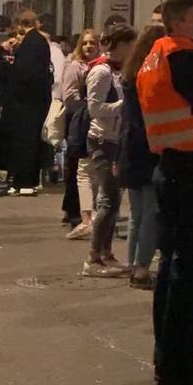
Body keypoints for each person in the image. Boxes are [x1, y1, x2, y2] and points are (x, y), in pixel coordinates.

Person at [137, 0, 193, 385]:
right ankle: (177, 367)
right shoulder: (184, 57)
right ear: (182, 18)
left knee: (172, 268)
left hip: (171, 166)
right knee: (188, 272)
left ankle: (166, 360)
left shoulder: (156, 54)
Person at [82, 23, 137, 277]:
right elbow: (94, 109)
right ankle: (94, 256)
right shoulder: (102, 72)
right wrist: (122, 106)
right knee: (109, 199)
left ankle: (105, 253)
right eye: (131, 44)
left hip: (117, 139)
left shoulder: (118, 70)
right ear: (122, 45)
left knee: (112, 200)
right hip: (103, 140)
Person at [119, 23, 165, 289]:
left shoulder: (130, 73)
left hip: (130, 145)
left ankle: (132, 264)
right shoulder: (151, 74)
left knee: (137, 213)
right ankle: (142, 268)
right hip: (148, 146)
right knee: (151, 212)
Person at [4, 10, 52, 196]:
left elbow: (25, 73)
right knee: (31, 141)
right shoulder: (39, 42)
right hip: (35, 99)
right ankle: (27, 180)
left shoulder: (31, 43)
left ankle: (24, 181)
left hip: (27, 102)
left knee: (25, 142)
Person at [62, 30, 99, 238]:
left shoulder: (100, 65)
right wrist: (85, 108)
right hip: (78, 120)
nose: (88, 47)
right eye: (85, 43)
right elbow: (69, 96)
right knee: (77, 166)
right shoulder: (75, 66)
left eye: (92, 43)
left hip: (92, 120)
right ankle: (74, 211)